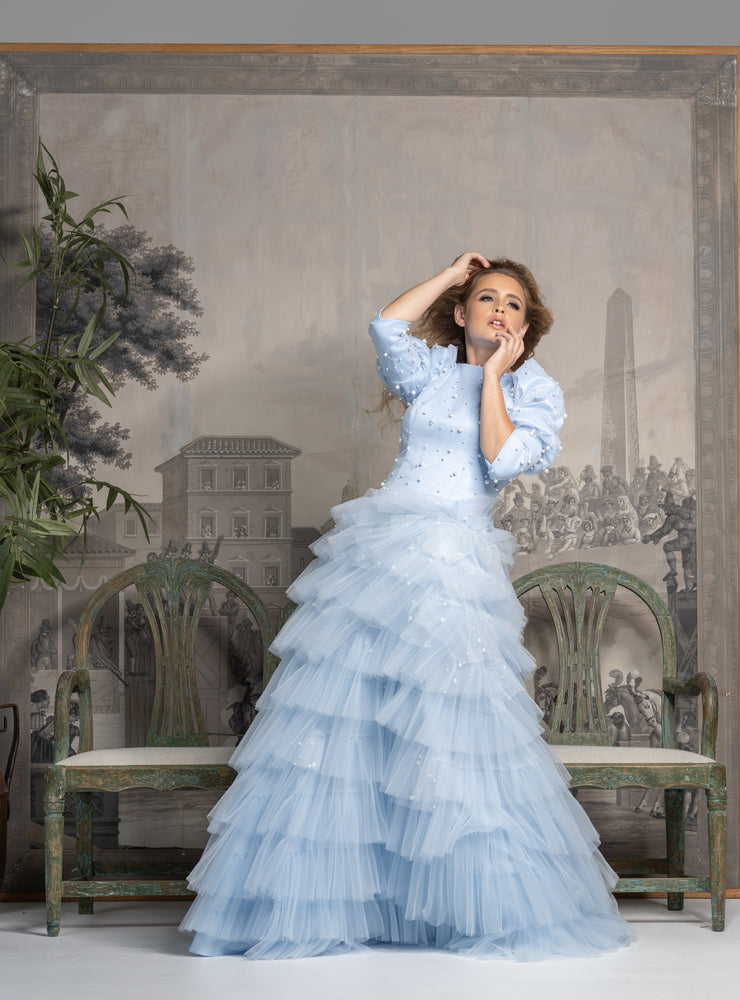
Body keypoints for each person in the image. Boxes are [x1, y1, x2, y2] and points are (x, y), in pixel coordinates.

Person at [180, 252, 632, 961]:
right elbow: (385, 324)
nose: (499, 311)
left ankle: (457, 904)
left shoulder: (536, 392)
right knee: (347, 724)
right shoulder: (427, 372)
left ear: (527, 326)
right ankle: (343, 905)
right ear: (461, 311)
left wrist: (490, 380)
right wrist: (453, 271)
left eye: (514, 304)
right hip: (383, 554)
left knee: (449, 729)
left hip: (455, 566)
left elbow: (502, 459)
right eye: (486, 298)